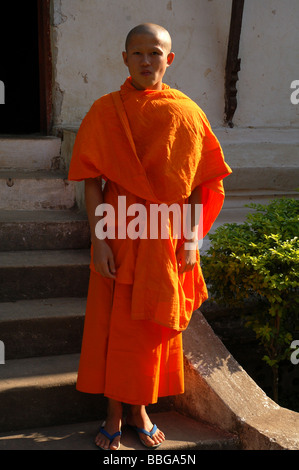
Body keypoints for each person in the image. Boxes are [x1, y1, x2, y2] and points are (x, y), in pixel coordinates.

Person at [68, 23, 232, 450]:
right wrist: (100, 239)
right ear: (124, 58)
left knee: (150, 329)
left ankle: (140, 409)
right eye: (137, 53)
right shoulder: (106, 110)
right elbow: (91, 179)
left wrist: (193, 242)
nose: (146, 61)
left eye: (155, 53)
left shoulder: (187, 112)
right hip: (120, 231)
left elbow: (202, 184)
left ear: (169, 59)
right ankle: (112, 413)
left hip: (167, 238)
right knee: (115, 326)